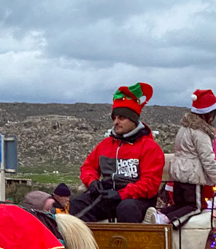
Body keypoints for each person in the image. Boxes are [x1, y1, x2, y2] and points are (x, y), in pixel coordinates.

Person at [69, 83, 165, 223]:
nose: (116, 122)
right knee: (76, 204)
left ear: (133, 120)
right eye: (114, 118)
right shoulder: (106, 144)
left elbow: (150, 184)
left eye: (121, 118)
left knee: (126, 208)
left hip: (136, 200)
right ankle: (91, 243)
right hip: (107, 195)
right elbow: (88, 167)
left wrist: (121, 194)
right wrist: (93, 181)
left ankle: (130, 245)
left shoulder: (150, 147)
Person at [146, 89, 216, 225]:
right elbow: (208, 159)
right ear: (209, 113)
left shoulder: (184, 129)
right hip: (192, 178)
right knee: (195, 207)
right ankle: (165, 220)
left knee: (180, 206)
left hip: (178, 176)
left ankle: (159, 215)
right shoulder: (201, 133)